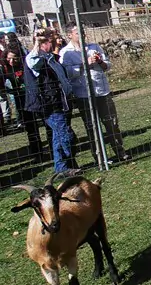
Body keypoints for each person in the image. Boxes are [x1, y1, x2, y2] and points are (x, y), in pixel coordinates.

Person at [60, 22, 130, 163]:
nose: (82, 34)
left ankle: (120, 152)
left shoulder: (94, 47)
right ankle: (100, 158)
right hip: (84, 95)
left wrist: (100, 62)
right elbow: (67, 73)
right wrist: (85, 64)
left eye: (83, 31)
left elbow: (107, 65)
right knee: (92, 128)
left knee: (112, 123)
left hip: (102, 92)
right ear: (69, 35)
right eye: (77, 32)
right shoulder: (66, 53)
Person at [24, 27, 78, 177]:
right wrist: (36, 43)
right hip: (49, 106)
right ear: (44, 43)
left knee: (57, 138)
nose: (57, 42)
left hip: (61, 103)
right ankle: (70, 165)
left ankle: (61, 168)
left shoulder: (50, 58)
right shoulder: (36, 59)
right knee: (67, 136)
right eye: (52, 40)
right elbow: (32, 61)